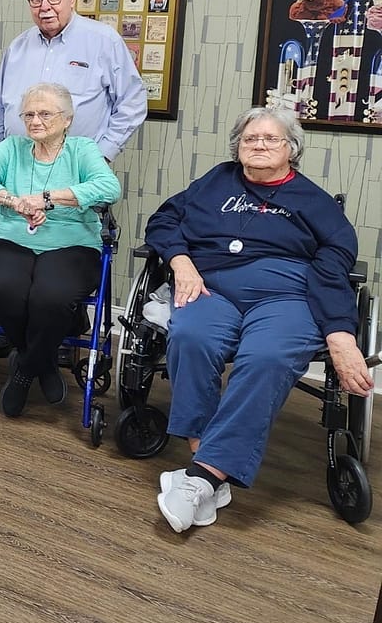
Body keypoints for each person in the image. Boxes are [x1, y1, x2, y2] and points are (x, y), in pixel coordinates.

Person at [145, 106, 373, 533]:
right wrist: (181, 262)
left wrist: (341, 336)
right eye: (251, 139)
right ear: (238, 146)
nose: (260, 146)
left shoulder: (314, 203)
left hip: (287, 296)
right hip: (210, 285)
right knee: (191, 336)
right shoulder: (217, 180)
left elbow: (335, 263)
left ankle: (203, 476)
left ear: (292, 149)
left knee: (267, 357)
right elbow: (164, 220)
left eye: (272, 139)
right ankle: (210, 466)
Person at [0, 82, 121, 417]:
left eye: (45, 113)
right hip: (9, 236)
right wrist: (11, 200)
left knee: (51, 296)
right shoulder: (12, 148)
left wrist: (49, 198)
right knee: (5, 288)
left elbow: (108, 186)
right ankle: (44, 362)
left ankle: (23, 370)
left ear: (66, 119)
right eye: (28, 114)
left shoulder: (82, 149)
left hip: (71, 240)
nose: (35, 120)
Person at [0, 0, 147, 161]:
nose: (44, 7)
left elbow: (133, 101)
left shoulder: (104, 41)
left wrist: (102, 155)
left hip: (77, 169)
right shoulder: (17, 47)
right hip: (17, 168)